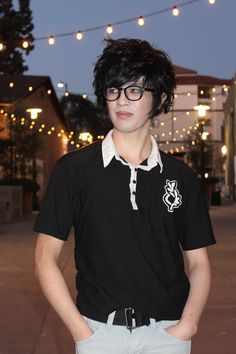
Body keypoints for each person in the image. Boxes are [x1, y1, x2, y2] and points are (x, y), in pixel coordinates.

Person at [34, 38, 216, 354]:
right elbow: (44, 258)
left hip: (166, 335)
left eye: (134, 90)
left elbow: (199, 262)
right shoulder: (74, 170)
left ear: (157, 99)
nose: (122, 100)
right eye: (113, 89)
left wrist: (188, 324)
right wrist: (81, 330)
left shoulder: (181, 177)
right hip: (98, 334)